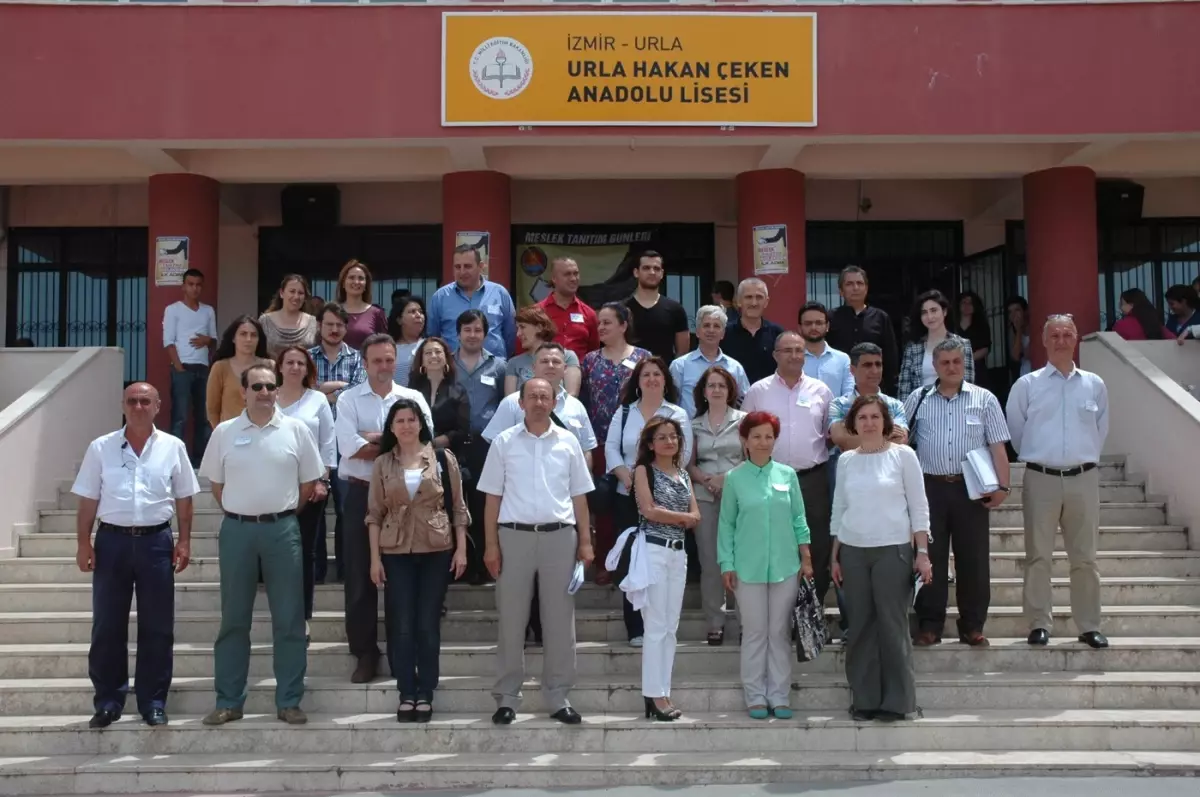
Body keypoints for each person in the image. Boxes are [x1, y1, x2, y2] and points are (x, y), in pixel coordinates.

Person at [199, 363, 325, 726]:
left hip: (281, 530)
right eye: (257, 387)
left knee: (289, 619)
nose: (265, 393)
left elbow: (307, 485)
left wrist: (279, 513)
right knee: (233, 621)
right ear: (244, 391)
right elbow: (217, 487)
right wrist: (244, 512)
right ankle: (228, 701)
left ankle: (288, 700)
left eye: (271, 386)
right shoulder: (224, 432)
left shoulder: (296, 430)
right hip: (237, 532)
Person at [72, 383, 198, 728]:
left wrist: (184, 541)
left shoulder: (173, 447)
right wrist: (84, 542)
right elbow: (87, 500)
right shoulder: (101, 447)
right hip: (111, 542)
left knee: (157, 626)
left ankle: (153, 701)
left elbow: (185, 499)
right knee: (107, 626)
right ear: (123, 406)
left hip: (155, 542)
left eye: (146, 401)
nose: (139, 406)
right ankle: (108, 701)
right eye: (132, 401)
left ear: (158, 406)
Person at [478, 377, 595, 726]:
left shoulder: (569, 442)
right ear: (521, 402)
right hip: (513, 537)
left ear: (555, 402)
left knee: (560, 622)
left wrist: (586, 541)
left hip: (560, 537)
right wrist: (490, 545)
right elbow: (492, 498)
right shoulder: (504, 442)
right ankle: (507, 697)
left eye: (546, 396)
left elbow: (579, 496)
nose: (539, 402)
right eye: (533, 396)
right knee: (511, 620)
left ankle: (558, 696)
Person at [335, 334, 435, 683]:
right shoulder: (348, 400)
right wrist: (393, 440)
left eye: (389, 360)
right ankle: (364, 653)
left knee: (400, 579)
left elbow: (423, 444)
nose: (383, 366)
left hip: (404, 497)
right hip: (360, 494)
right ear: (364, 363)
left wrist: (372, 438)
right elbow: (348, 448)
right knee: (360, 579)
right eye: (376, 360)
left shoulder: (413, 398)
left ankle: (399, 652)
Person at [1007, 315, 1110, 650]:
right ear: (1044, 339)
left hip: (1083, 478)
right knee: (1038, 556)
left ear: (1076, 338)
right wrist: (1042, 457)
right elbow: (1017, 433)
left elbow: (1100, 430)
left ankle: (1089, 625)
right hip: (1042, 478)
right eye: (1055, 335)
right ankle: (1039, 623)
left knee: (1086, 558)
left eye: (1068, 334)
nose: (1062, 340)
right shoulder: (1027, 385)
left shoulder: (1094, 383)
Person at [903, 338, 1011, 647]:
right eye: (945, 362)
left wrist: (1003, 486)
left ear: (965, 363)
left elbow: (998, 445)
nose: (951, 367)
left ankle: (972, 625)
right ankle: (929, 624)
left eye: (957, 361)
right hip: (930, 489)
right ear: (935, 366)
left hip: (971, 490)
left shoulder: (985, 398)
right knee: (928, 557)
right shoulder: (918, 398)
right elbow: (901, 441)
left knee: (973, 559)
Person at [830, 395, 932, 722]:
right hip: (853, 551)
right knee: (860, 626)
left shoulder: (904, 456)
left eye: (875, 417)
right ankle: (865, 700)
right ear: (854, 424)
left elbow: (918, 507)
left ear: (885, 422)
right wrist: (835, 556)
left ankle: (899, 702)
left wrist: (923, 553)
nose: (869, 423)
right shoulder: (846, 460)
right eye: (863, 418)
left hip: (893, 550)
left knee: (892, 625)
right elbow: (839, 509)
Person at [367, 399, 469, 723]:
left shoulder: (441, 458)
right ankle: (406, 692)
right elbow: (373, 515)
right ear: (392, 427)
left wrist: (461, 549)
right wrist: (374, 560)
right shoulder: (383, 463)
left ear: (421, 423)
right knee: (402, 625)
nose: (407, 426)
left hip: (436, 549)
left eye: (412, 419)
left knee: (426, 624)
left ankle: (426, 691)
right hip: (395, 551)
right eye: (400, 420)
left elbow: (458, 507)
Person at [717, 411, 811, 720]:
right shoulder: (734, 479)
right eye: (756, 436)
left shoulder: (787, 475)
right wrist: (726, 563)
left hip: (786, 565)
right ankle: (755, 695)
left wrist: (806, 557)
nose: (763, 442)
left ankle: (780, 695)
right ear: (744, 440)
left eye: (769, 436)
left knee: (779, 632)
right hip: (747, 567)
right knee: (755, 632)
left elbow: (799, 518)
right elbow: (726, 525)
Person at [741, 331, 835, 614]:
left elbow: (830, 434)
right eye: (788, 350)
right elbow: (744, 435)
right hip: (771, 478)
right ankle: (777, 613)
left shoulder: (821, 390)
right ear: (775, 355)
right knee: (775, 544)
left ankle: (810, 614)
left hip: (813, 478)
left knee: (816, 546)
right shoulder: (758, 391)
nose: (795, 355)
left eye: (799, 350)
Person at [605, 357, 692, 645]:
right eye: (646, 375)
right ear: (638, 381)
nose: (652, 379)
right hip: (627, 495)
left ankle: (665, 626)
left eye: (657, 374)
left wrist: (660, 480)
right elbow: (611, 449)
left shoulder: (677, 413)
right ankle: (636, 628)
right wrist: (627, 477)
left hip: (667, 499)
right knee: (634, 560)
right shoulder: (625, 411)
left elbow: (685, 452)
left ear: (666, 379)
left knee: (661, 561)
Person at [630, 417, 700, 721]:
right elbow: (648, 510)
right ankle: (653, 694)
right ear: (650, 443)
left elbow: (696, 514)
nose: (669, 442)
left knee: (671, 628)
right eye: (662, 437)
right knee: (656, 627)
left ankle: (663, 690)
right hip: (654, 549)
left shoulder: (684, 474)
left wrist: (677, 517)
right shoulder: (644, 471)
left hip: (678, 553)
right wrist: (680, 518)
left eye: (673, 437)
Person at [581, 302, 652, 584]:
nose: (601, 328)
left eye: (608, 322)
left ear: (624, 326)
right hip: (599, 441)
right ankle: (604, 562)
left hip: (635, 442)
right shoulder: (589, 361)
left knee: (634, 502)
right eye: (599, 323)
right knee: (603, 501)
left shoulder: (644, 358)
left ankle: (633, 559)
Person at [274, 346, 336, 637]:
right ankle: (281, 614)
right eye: (290, 362)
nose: (295, 367)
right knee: (277, 555)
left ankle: (303, 616)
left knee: (305, 554)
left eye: (301, 362)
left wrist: (323, 481)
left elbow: (327, 443)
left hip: (309, 488)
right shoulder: (268, 398)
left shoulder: (318, 400)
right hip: (271, 489)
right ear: (280, 367)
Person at [686, 366, 746, 645]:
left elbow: (753, 457)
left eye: (722, 385)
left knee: (740, 560)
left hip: (738, 495)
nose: (717, 390)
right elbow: (687, 462)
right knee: (710, 561)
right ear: (704, 391)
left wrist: (727, 479)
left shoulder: (744, 421)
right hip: (704, 495)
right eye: (712, 385)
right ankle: (715, 621)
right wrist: (707, 480)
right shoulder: (693, 424)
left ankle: (746, 620)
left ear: (730, 389)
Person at [309, 302, 366, 584]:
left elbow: (354, 394)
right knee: (313, 511)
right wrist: (333, 389)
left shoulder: (357, 358)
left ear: (346, 328)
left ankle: (346, 569)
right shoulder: (305, 358)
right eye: (329, 324)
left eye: (339, 325)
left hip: (346, 446)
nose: (334, 329)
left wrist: (320, 390)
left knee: (347, 511)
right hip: (312, 445)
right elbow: (302, 390)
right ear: (319, 326)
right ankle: (316, 571)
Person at [453, 309, 507, 584]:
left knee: (485, 503)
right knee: (456, 503)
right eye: (467, 330)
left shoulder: (498, 366)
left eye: (477, 330)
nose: (472, 335)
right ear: (458, 333)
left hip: (487, 445)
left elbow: (505, 404)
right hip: (453, 443)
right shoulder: (448, 363)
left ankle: (484, 566)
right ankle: (459, 565)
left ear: (485, 334)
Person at [163, 268, 217, 465]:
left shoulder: (208, 310)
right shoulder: (173, 309)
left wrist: (207, 340)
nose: (194, 288)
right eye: (191, 284)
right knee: (180, 415)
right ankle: (175, 460)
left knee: (204, 416)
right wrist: (179, 368)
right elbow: (168, 341)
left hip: (202, 368)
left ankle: (199, 459)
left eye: (198, 285)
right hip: (182, 367)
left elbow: (214, 340)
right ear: (184, 286)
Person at [426, 244, 515, 358]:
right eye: (458, 267)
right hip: (454, 370)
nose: (462, 272)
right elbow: (433, 337)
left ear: (481, 266)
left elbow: (510, 335)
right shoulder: (440, 297)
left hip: (494, 370)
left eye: (467, 266)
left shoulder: (500, 293)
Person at [827, 266, 900, 394]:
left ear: (866, 288)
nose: (855, 288)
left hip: (873, 388)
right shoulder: (831, 318)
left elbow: (891, 358)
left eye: (859, 283)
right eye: (849, 284)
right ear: (841, 291)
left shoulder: (880, 317)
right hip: (839, 387)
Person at [668, 304, 750, 418]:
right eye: (706, 325)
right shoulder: (679, 366)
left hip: (726, 432)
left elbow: (745, 403)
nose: (711, 330)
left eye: (716, 326)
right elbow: (671, 405)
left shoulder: (735, 367)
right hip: (690, 432)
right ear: (697, 331)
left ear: (723, 334)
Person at [898, 289, 976, 398]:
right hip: (922, 409)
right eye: (924, 312)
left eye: (934, 310)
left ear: (944, 311)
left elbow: (968, 383)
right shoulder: (913, 348)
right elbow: (904, 389)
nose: (929, 317)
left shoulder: (962, 344)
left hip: (955, 407)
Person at [408, 337, 471, 458]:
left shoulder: (458, 391)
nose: (433, 356)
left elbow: (462, 431)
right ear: (421, 360)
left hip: (447, 456)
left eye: (438, 352)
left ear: (446, 357)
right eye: (428, 353)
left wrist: (433, 443)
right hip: (414, 455)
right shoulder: (412, 390)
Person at [625, 250, 690, 363]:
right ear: (636, 272)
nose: (652, 272)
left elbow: (682, 354)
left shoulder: (675, 309)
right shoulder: (623, 309)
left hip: (665, 376)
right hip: (629, 376)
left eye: (656, 268)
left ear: (662, 273)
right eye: (646, 268)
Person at [207, 315, 270, 429]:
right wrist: (220, 434)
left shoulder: (269, 366)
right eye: (243, 334)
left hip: (263, 433)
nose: (248, 339)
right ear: (233, 338)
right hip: (230, 435)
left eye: (253, 335)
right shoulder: (220, 367)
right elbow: (212, 410)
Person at [505, 305, 582, 397]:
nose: (518, 334)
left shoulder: (567, 356)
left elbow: (572, 395)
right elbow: (510, 400)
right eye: (517, 328)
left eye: (522, 327)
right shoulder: (514, 363)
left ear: (539, 327)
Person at [721, 278, 784, 385]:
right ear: (739, 301)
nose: (754, 303)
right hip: (735, 399)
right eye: (748, 297)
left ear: (766, 302)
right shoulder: (724, 334)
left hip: (769, 398)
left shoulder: (778, 334)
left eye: (759, 297)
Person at [537, 256, 601, 362]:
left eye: (576, 273)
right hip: (545, 374)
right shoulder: (537, 312)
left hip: (579, 375)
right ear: (554, 278)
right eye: (567, 274)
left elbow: (593, 352)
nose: (573, 278)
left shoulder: (589, 314)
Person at [798, 301, 854, 398]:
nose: (813, 327)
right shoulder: (792, 359)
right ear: (799, 327)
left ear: (827, 326)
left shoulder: (843, 360)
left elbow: (849, 396)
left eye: (818, 323)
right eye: (808, 323)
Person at [260, 274, 319, 358]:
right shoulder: (265, 321)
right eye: (292, 291)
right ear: (281, 293)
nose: (296, 296)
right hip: (271, 370)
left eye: (300, 293)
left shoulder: (313, 323)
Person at [336, 259, 389, 350]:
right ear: (343, 283)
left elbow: (384, 346)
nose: (356, 282)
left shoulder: (377, 313)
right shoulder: (334, 311)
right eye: (351, 277)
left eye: (361, 278)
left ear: (366, 285)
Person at [956, 292, 993, 388]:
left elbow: (986, 348)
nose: (967, 305)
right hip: (955, 369)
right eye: (964, 302)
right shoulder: (952, 326)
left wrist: (967, 359)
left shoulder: (981, 326)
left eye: (970, 303)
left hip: (977, 370)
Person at [392, 295, 427, 389]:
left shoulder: (429, 345)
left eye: (421, 312)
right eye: (412, 312)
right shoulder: (389, 349)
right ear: (399, 319)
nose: (418, 315)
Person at [1006, 296, 1032, 380]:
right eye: (1010, 312)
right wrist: (1019, 330)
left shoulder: (1035, 324)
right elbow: (1015, 356)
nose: (1013, 315)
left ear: (1025, 311)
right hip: (1025, 375)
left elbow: (1030, 353)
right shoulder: (1013, 330)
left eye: (1017, 310)